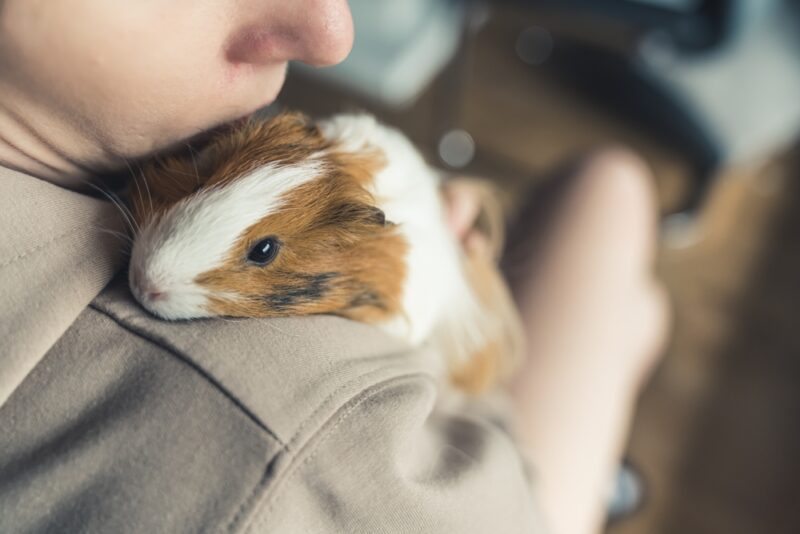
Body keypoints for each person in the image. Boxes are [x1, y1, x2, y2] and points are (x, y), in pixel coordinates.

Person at [0, 1, 668, 533]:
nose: (329, 34)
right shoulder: (298, 443)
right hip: (493, 479)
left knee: (634, 306)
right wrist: (474, 304)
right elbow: (512, 504)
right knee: (612, 192)